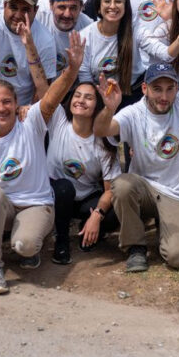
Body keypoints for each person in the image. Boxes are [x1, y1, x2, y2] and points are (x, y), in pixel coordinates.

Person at [0, 32, 85, 294]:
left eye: (7, 102)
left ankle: (31, 242)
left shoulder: (31, 122)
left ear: (16, 103)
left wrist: (71, 70)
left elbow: (53, 97)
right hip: (3, 209)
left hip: (35, 204)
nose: (2, 108)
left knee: (25, 246)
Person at [95, 62, 179, 272]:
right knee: (122, 185)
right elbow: (102, 130)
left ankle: (164, 227)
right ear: (145, 89)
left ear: (176, 88)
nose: (164, 97)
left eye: (169, 89)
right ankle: (135, 247)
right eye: (157, 89)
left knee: (178, 257)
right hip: (145, 188)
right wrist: (109, 109)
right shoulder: (133, 113)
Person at [47, 81, 121, 264]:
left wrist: (96, 216)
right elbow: (44, 87)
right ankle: (61, 239)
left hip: (84, 199)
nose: (80, 100)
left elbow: (110, 189)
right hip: (54, 196)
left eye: (88, 97)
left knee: (113, 212)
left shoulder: (103, 141)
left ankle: (87, 231)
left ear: (97, 106)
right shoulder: (58, 121)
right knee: (64, 188)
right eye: (77, 95)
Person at [78, 0, 144, 104]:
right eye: (107, 1)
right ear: (98, 6)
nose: (113, 6)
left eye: (118, 1)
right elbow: (85, 78)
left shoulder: (135, 30)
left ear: (125, 5)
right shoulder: (84, 35)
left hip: (132, 94)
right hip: (98, 96)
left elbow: (163, 53)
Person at [36, 0, 93, 73]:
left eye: (73, 8)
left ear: (81, 7)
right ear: (51, 5)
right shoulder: (38, 20)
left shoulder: (88, 26)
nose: (67, 14)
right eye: (62, 7)